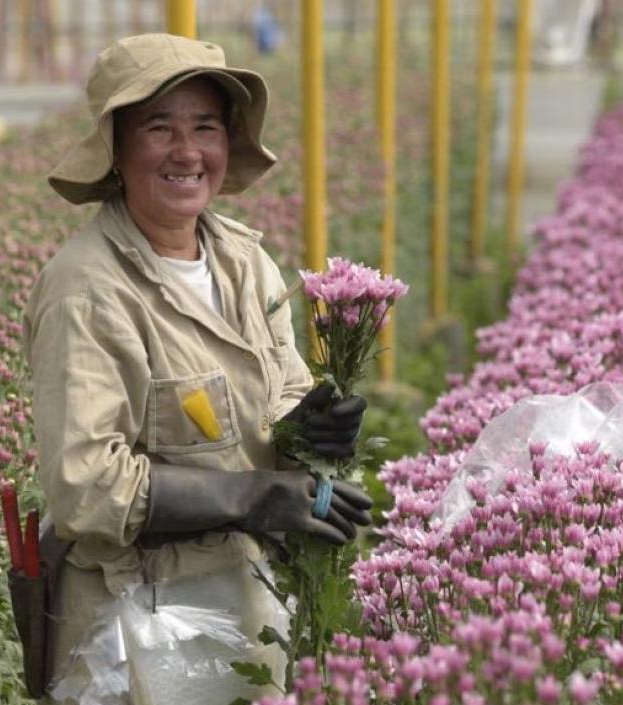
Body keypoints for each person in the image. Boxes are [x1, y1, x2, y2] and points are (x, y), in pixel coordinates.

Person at [22, 33, 373, 705]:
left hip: (246, 604)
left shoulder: (244, 262)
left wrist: (310, 427)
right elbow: (86, 485)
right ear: (117, 152)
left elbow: (281, 388)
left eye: (206, 128)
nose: (187, 152)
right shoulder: (87, 290)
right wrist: (254, 494)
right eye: (160, 128)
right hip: (138, 628)